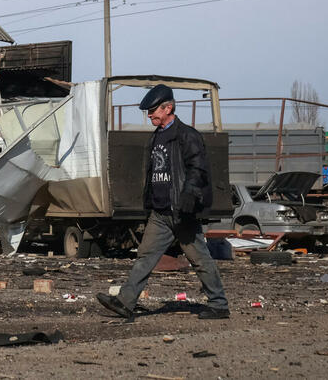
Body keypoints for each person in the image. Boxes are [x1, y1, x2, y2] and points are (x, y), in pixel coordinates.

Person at [96, 84, 229, 320]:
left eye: (153, 110)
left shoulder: (187, 135)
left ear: (168, 107)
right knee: (145, 256)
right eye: (148, 111)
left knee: (199, 259)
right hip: (160, 213)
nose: (149, 115)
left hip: (181, 212)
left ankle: (219, 305)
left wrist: (189, 195)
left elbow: (198, 168)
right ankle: (125, 302)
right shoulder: (156, 136)